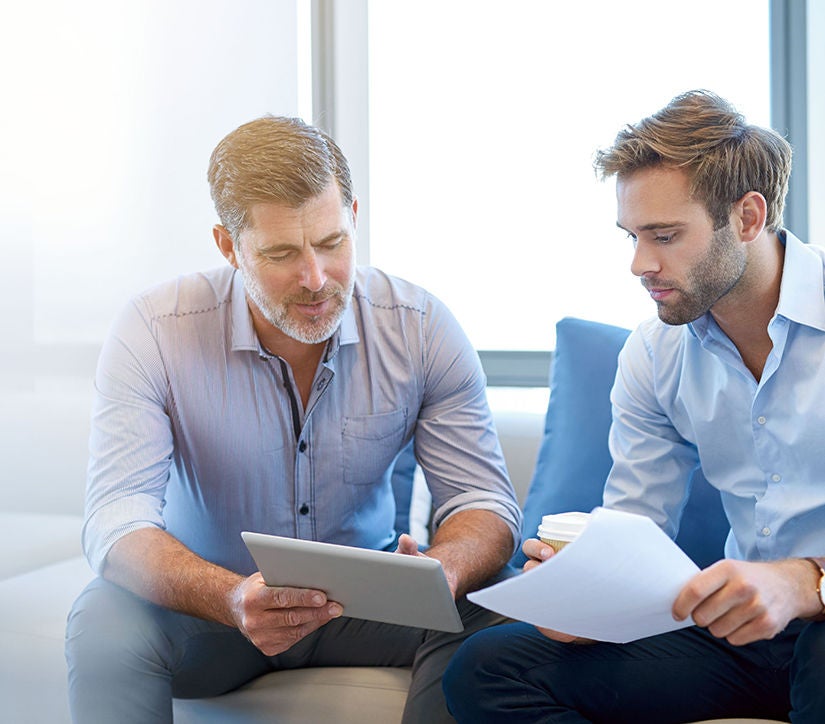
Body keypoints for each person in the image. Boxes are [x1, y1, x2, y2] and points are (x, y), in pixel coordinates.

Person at [65, 115, 522, 724]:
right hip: (212, 610)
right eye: (281, 253)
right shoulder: (154, 330)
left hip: (370, 608)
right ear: (229, 246)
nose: (315, 279)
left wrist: (446, 568)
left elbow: (483, 500)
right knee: (102, 621)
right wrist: (230, 597)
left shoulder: (420, 326)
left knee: (499, 604)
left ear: (353, 214)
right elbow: (116, 519)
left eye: (332, 243)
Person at [442, 89, 825, 723]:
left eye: (665, 236)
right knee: (487, 671)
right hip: (742, 639)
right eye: (633, 236)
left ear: (749, 217)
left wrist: (807, 583)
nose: (640, 264)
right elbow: (637, 527)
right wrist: (589, 596)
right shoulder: (656, 352)